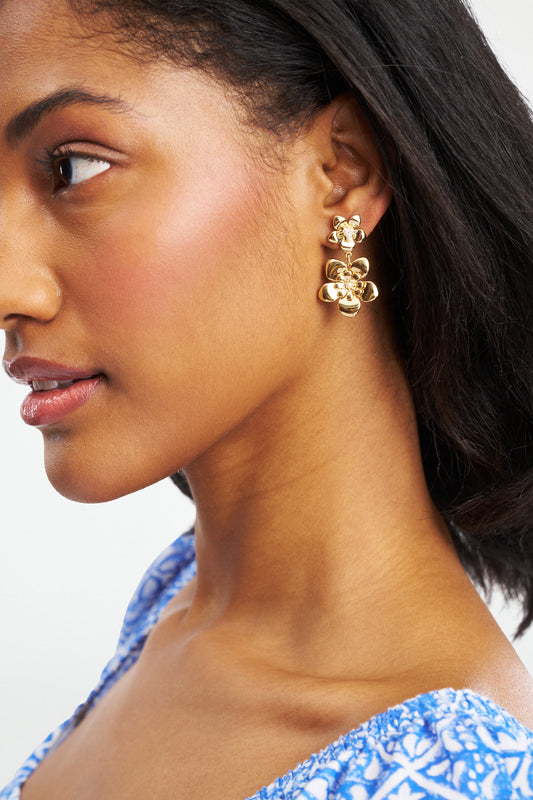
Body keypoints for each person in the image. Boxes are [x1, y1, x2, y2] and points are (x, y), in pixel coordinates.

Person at [1, 0, 532, 797]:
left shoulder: (449, 779)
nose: (10, 289)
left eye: (72, 168)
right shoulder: (179, 598)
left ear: (340, 172)